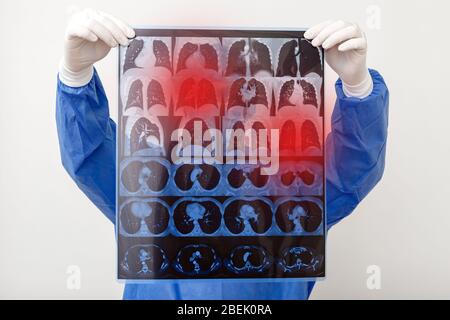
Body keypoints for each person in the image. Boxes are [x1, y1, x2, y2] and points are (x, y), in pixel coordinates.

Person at [56, 9, 389, 300]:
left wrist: (357, 86)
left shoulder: (290, 186)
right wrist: (76, 77)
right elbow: (90, 155)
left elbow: (352, 169)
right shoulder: (153, 180)